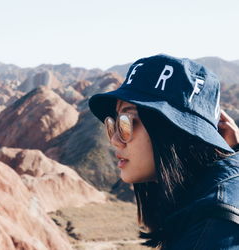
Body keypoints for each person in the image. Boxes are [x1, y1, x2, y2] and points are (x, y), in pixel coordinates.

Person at [88, 54, 239, 249]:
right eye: (113, 123)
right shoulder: (215, 199)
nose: (115, 140)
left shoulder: (210, 234)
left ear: (173, 132)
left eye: (126, 122)